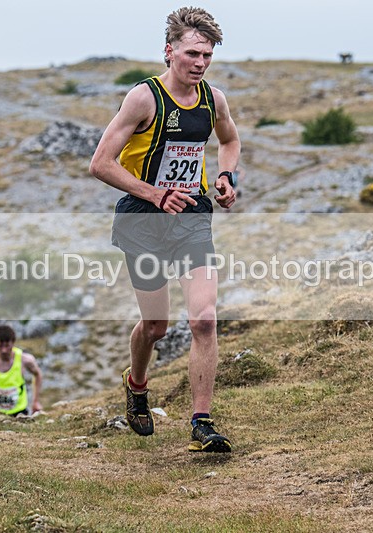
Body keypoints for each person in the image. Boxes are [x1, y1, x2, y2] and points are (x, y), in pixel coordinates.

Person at [89, 7, 240, 453]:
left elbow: (229, 141)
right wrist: (155, 194)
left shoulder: (214, 99)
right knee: (156, 326)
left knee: (205, 319)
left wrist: (227, 177)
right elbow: (100, 164)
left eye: (208, 55)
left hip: (191, 215)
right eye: (193, 54)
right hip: (143, 217)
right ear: (169, 51)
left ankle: (201, 421)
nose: (200, 63)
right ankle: (137, 384)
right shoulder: (144, 99)